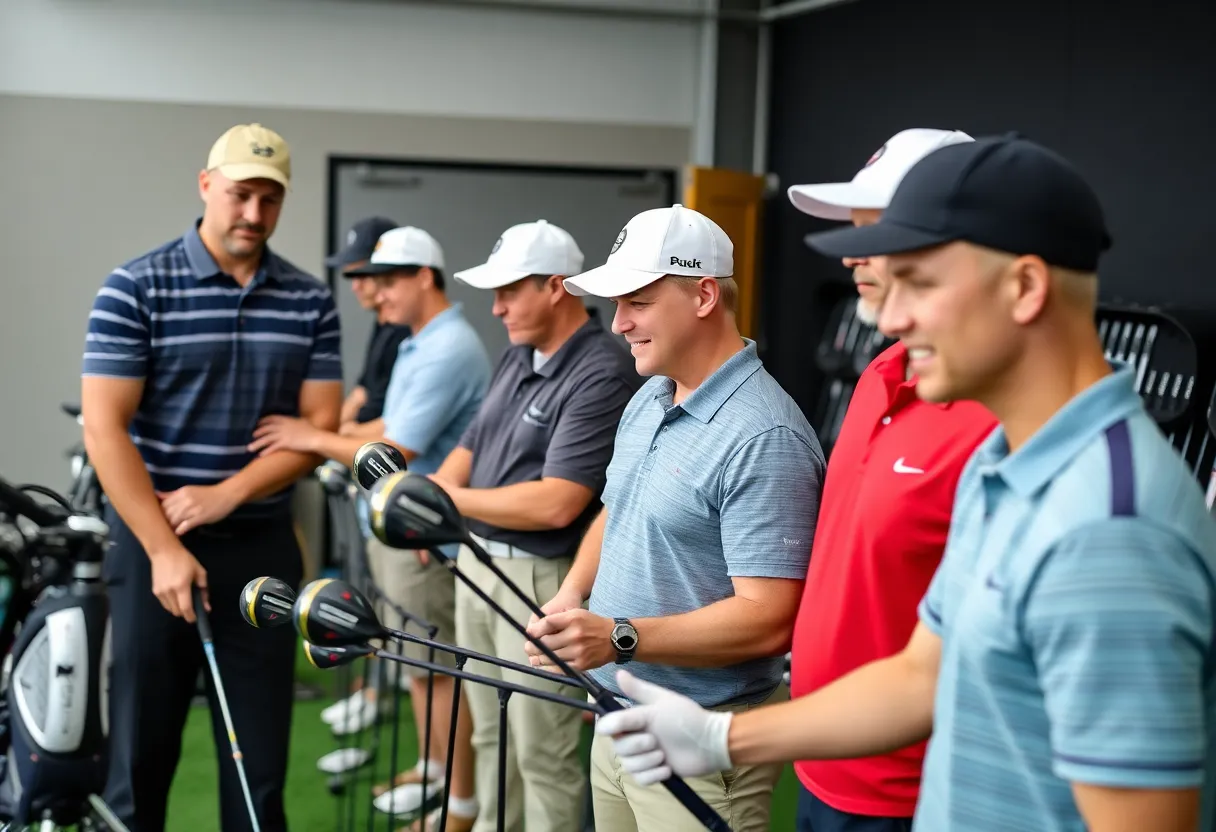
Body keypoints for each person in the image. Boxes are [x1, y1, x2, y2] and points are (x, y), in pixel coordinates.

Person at [594, 135, 1216, 832]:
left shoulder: (1112, 528)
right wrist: (720, 739)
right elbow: (921, 677)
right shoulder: (1006, 465)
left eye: (918, 283)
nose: (887, 316)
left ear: (1025, 287)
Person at [525, 204, 826, 831]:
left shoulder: (766, 434)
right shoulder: (649, 394)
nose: (618, 323)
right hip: (619, 716)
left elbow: (770, 619)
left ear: (703, 296)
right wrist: (572, 594)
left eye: (637, 301)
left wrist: (618, 637)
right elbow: (618, 510)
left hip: (705, 739)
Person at [81, 122, 344, 832]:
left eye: (269, 199)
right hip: (151, 543)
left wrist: (228, 492)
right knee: (140, 753)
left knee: (258, 759)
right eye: (239, 195)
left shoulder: (308, 300)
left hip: (260, 543)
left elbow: (316, 432)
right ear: (206, 187)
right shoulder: (135, 286)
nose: (253, 215)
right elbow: (103, 428)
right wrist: (164, 548)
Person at [783, 128, 998, 832]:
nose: (852, 258)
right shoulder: (879, 376)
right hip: (818, 756)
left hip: (910, 792)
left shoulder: (998, 423)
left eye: (875, 233)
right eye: (852, 233)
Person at [249, 225, 490, 830]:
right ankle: (436, 772)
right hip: (398, 533)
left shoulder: (447, 347)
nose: (375, 294)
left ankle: (459, 807)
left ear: (423, 278)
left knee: (435, 669)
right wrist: (327, 438)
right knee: (415, 664)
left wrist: (311, 439)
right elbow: (383, 423)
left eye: (387, 281)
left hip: (420, 540)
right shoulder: (416, 341)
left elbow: (395, 447)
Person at [420, 219, 641, 832]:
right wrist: (442, 503)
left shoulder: (602, 368)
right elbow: (472, 442)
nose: (495, 308)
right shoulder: (518, 351)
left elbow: (558, 503)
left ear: (555, 286)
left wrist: (447, 503)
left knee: (541, 752)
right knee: (491, 734)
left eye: (509, 291)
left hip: (541, 577)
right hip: (480, 562)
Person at [326, 215, 411, 436]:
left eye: (363, 275)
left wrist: (335, 435)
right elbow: (362, 391)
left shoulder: (408, 332)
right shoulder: (382, 323)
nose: (355, 287)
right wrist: (334, 429)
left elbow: (395, 425)